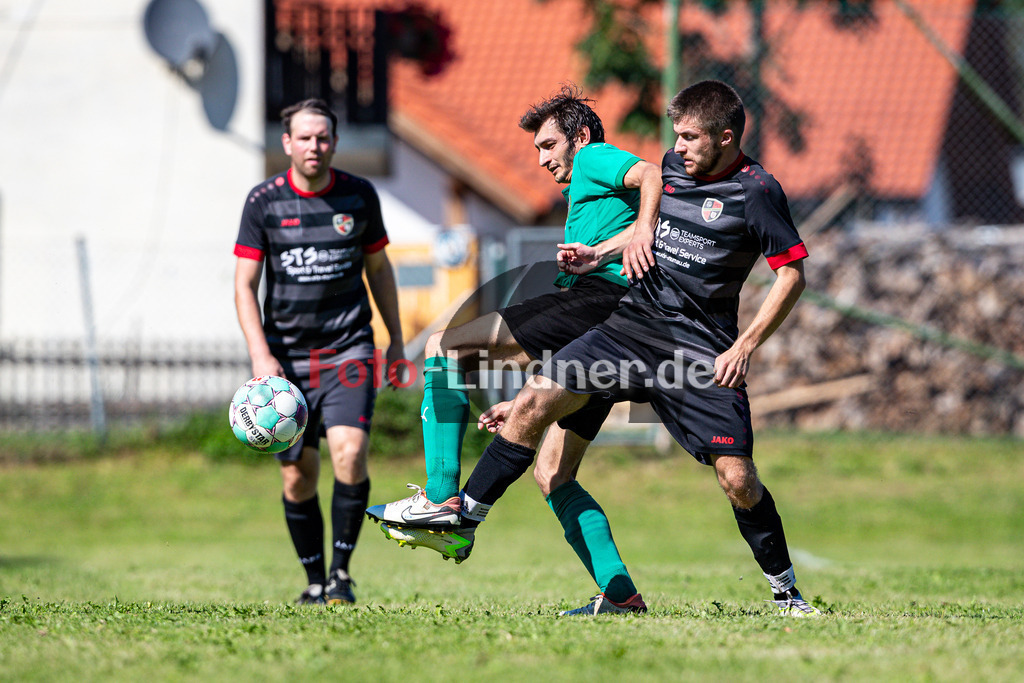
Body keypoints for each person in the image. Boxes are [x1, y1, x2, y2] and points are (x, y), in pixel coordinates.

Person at [412, 80, 820, 617]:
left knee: (737, 479)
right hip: (630, 327)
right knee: (536, 405)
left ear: (725, 137)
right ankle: (463, 516)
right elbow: (641, 231)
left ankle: (787, 594)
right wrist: (598, 253)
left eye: (691, 138)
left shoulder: (757, 191)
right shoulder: (673, 169)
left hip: (696, 349)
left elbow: (791, 275)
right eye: (675, 136)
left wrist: (744, 346)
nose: (677, 148)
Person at [365, 85, 661, 610]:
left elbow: (650, 173)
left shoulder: (594, 156)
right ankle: (620, 596)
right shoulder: (586, 188)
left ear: (581, 137)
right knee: (553, 474)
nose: (543, 159)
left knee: (444, 347)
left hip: (598, 302)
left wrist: (640, 233)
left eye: (549, 145)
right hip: (612, 333)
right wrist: (524, 399)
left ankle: (439, 500)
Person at [234, 98, 404, 606]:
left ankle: (341, 576)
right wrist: (261, 356)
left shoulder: (359, 196)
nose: (314, 146)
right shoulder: (263, 202)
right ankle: (312, 578)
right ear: (286, 143)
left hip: (348, 349)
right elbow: (244, 286)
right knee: (298, 473)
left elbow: (379, 270)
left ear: (334, 141)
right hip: (284, 361)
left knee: (349, 454)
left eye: (323, 137)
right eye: (304, 138)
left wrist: (394, 339)